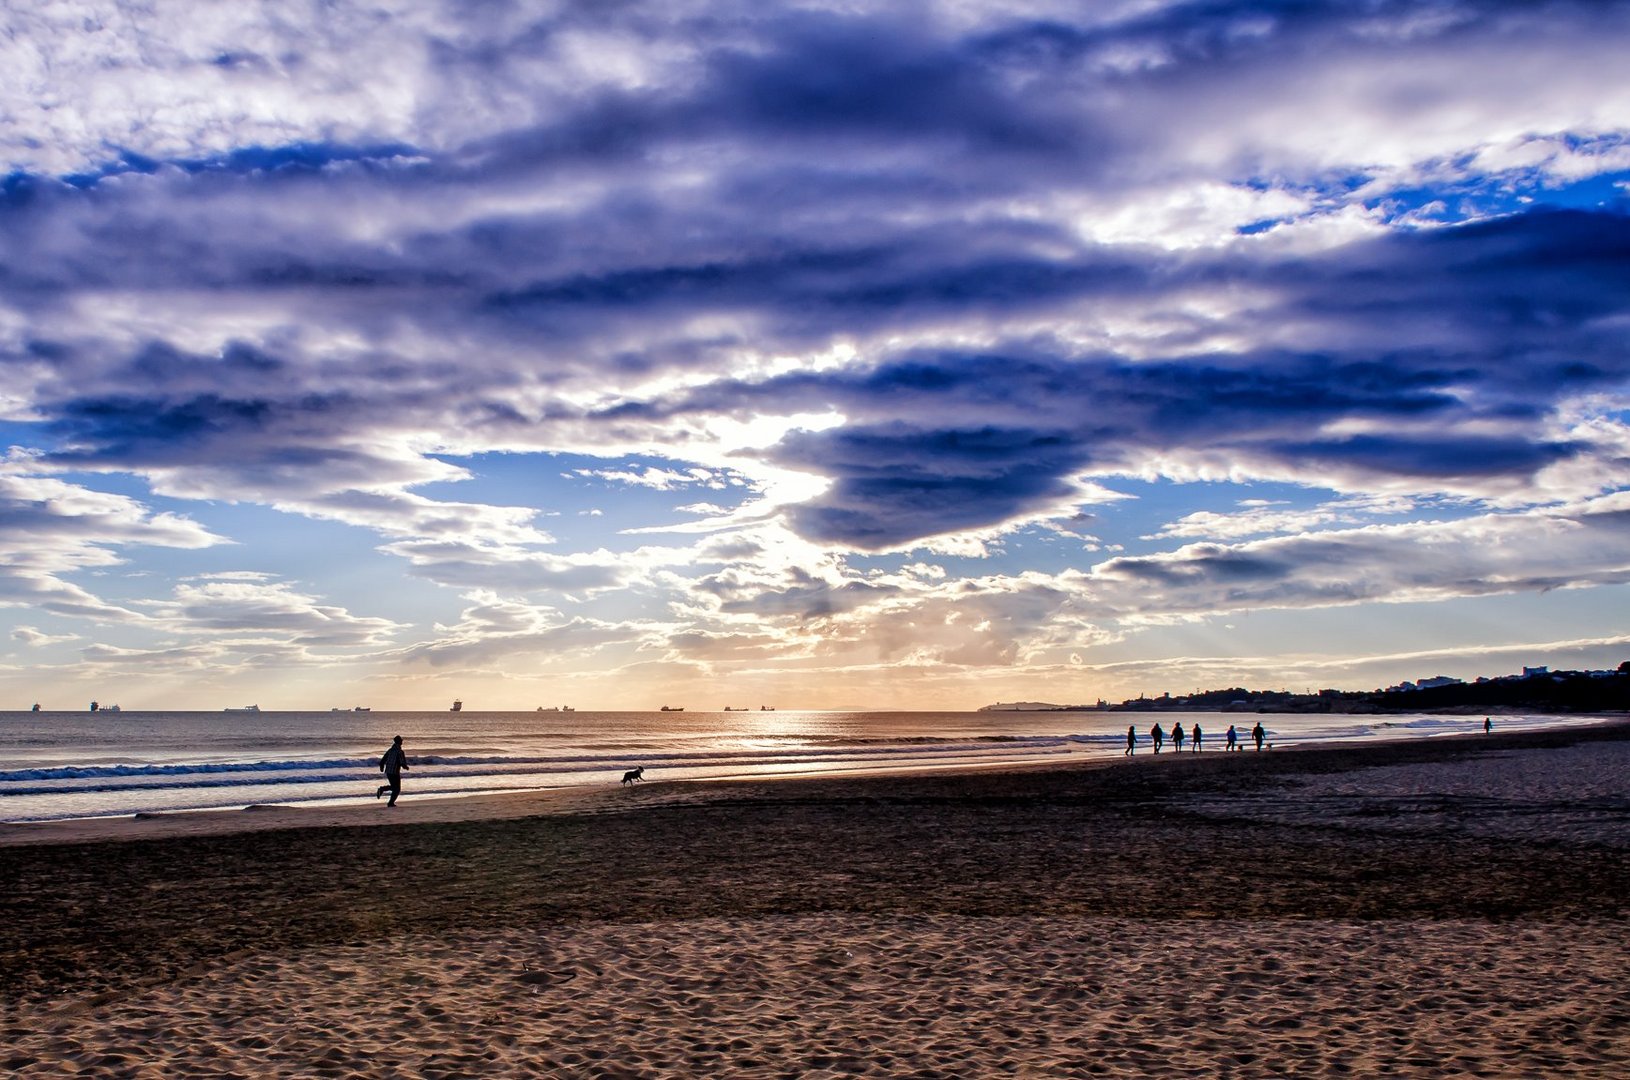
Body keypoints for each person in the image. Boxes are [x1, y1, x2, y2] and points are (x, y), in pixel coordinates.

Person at [376, 735, 409, 806]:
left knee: (394, 787)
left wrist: (381, 767)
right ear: (399, 742)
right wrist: (405, 767)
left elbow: (383, 759)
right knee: (397, 789)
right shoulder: (400, 751)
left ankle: (385, 794)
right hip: (395, 772)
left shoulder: (390, 750)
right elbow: (401, 762)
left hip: (388, 771)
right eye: (401, 740)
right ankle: (389, 800)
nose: (402, 741)